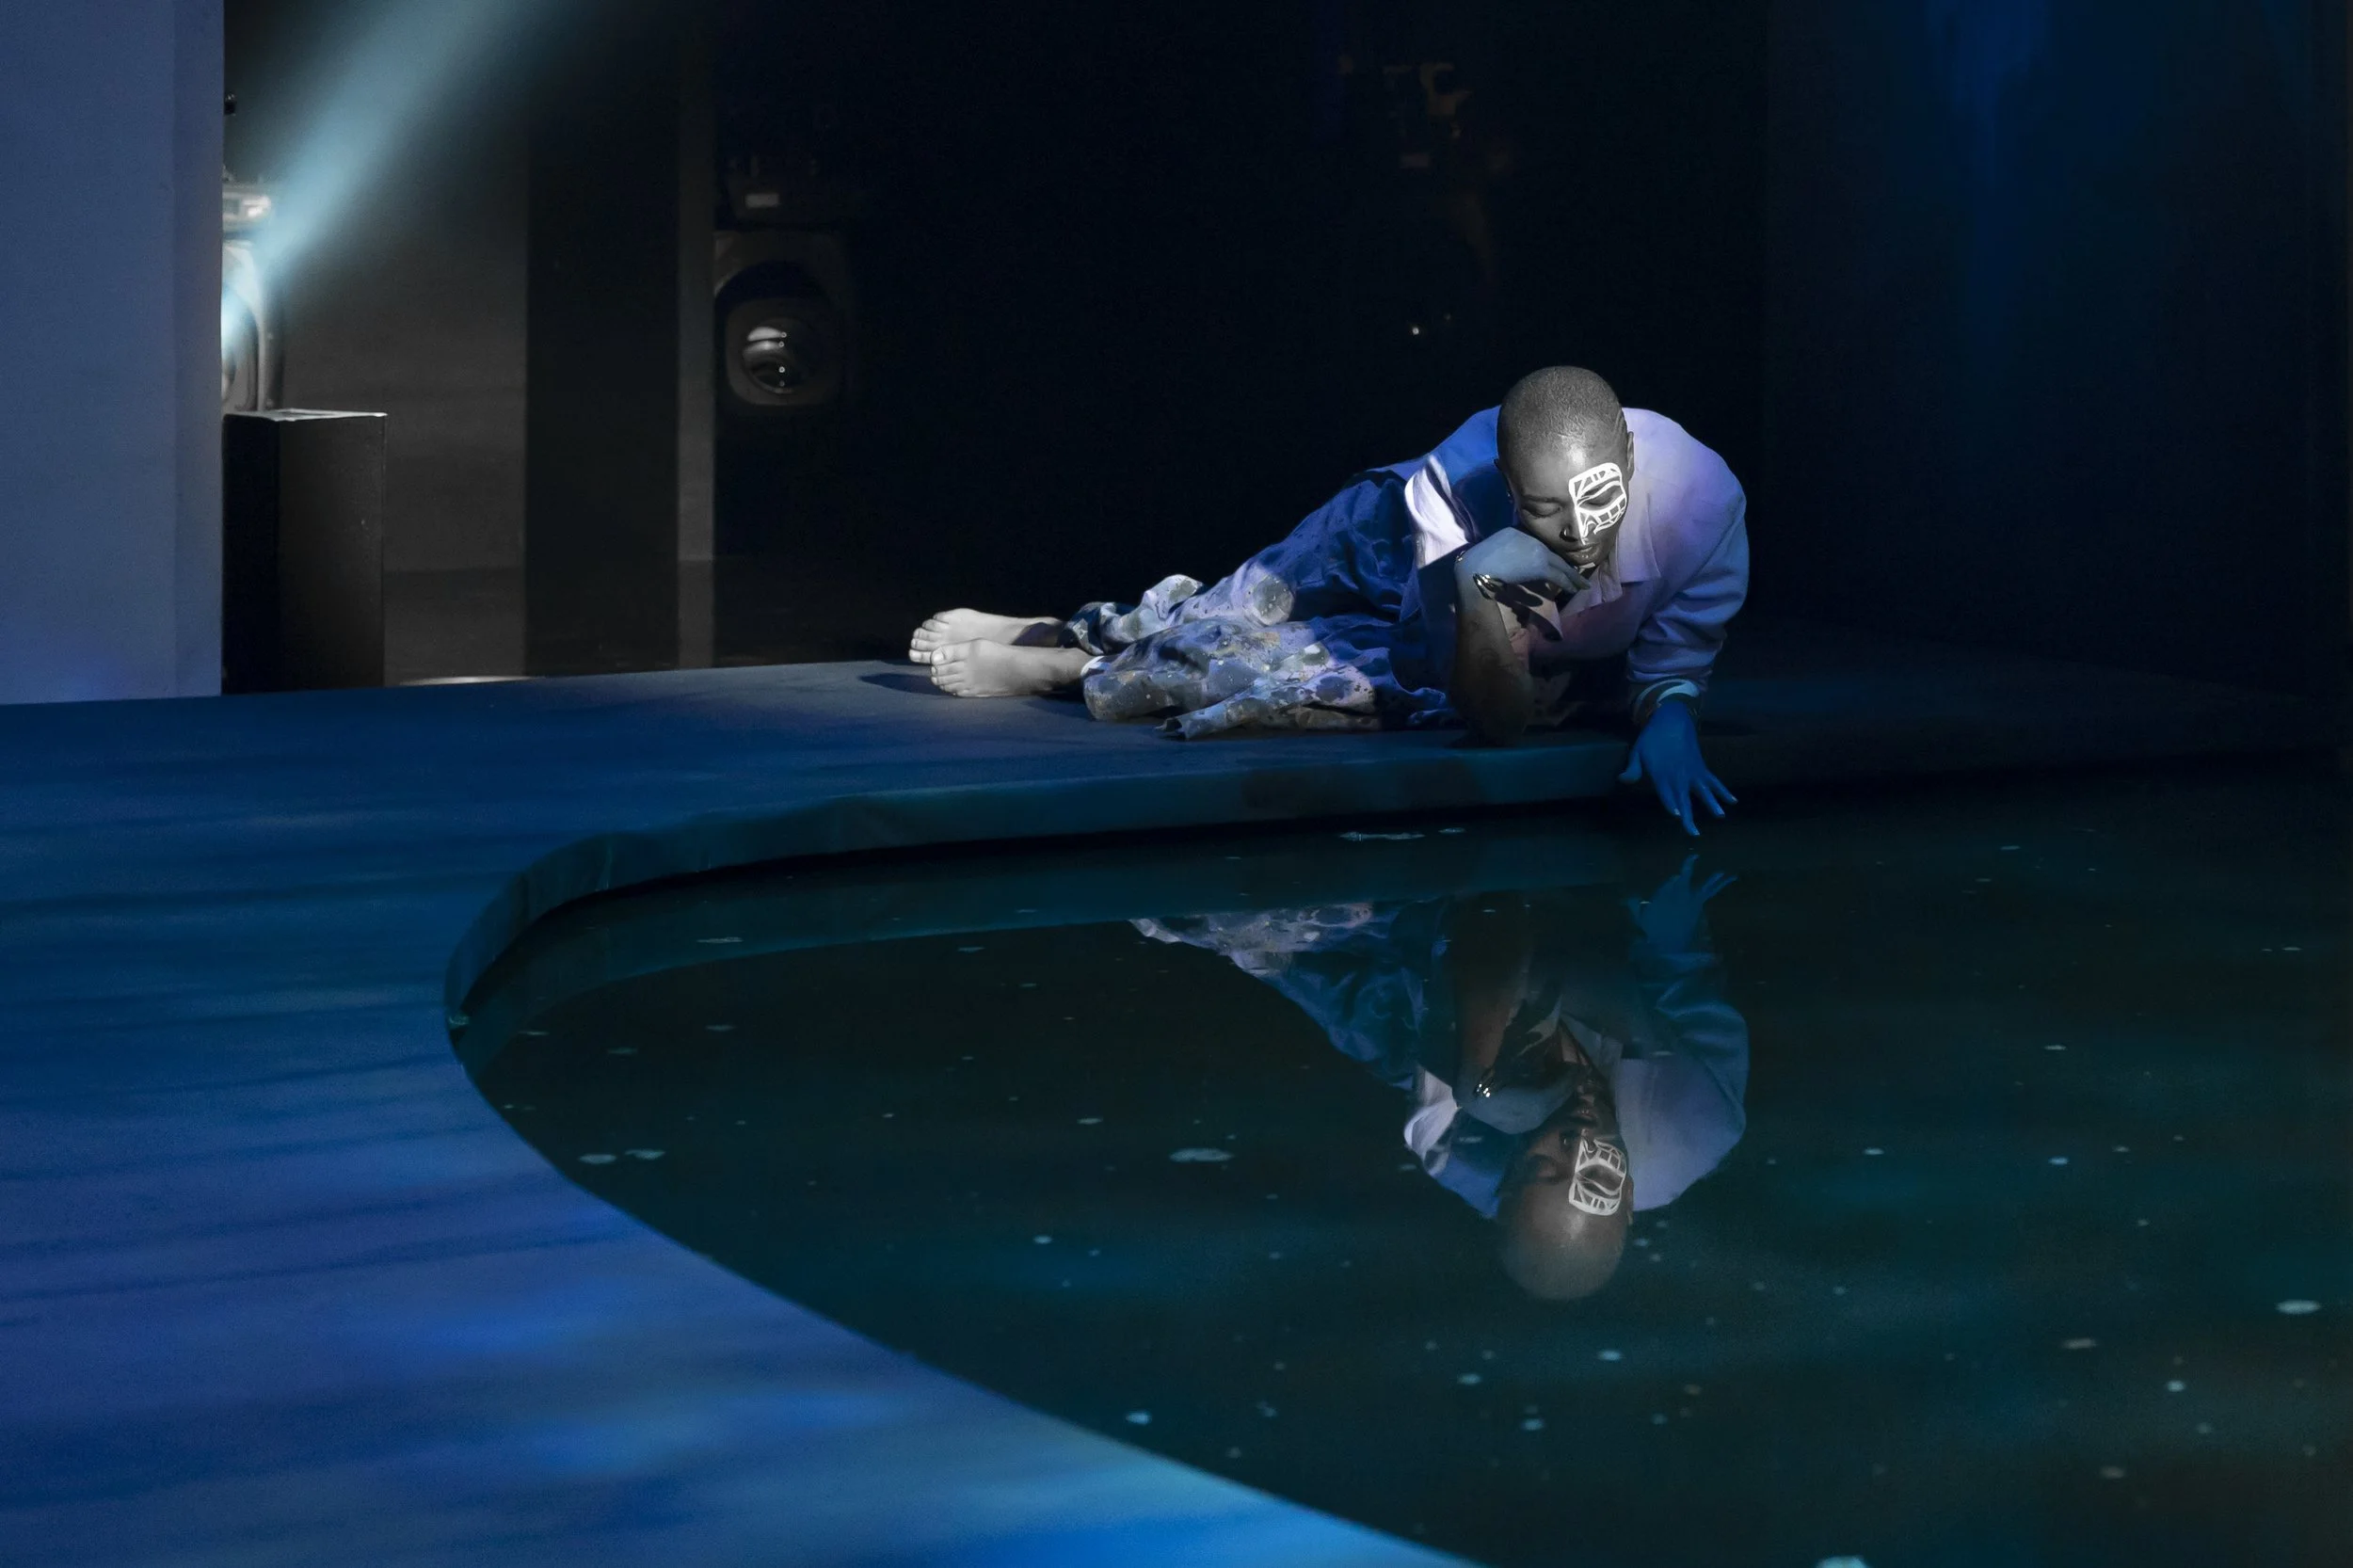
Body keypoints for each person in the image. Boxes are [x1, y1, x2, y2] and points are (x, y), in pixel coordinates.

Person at [910, 366, 1750, 834]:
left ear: (1629, 460)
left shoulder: (1702, 506)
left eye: (1595, 501)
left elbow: (1493, 720)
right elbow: (1428, 636)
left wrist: (1669, 710)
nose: (1574, 534)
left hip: (1479, 652)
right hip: (1391, 540)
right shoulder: (1450, 483)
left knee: (1280, 674)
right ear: (1505, 485)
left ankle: (1073, 670)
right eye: (1542, 509)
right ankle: (1072, 630)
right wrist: (1467, 574)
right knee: (1230, 607)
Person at [1133, 859, 1750, 1302]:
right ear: (1630, 1199)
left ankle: (1268, 954)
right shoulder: (1691, 1126)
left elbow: (1486, 922)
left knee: (1265, 943)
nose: (1577, 1142)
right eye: (1597, 1178)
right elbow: (1597, 964)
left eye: (1544, 1166)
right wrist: (1668, 932)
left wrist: (1476, 1079)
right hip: (1614, 959)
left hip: (1420, 1010)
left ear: (1509, 1174)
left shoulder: (1457, 1151)